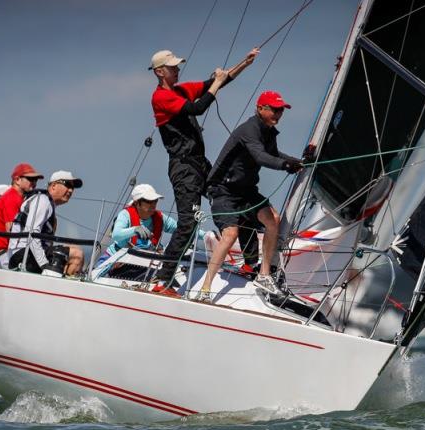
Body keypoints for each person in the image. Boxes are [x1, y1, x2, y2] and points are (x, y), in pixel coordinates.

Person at [149, 46, 260, 295]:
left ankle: (251, 262)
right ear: (159, 72)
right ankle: (161, 281)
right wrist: (216, 83)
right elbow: (197, 108)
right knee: (188, 225)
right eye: (173, 67)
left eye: (177, 66)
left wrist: (244, 63)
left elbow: (217, 82)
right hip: (183, 168)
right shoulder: (161, 97)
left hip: (200, 164)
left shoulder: (180, 89)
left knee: (232, 196)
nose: (178, 70)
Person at [199, 91, 303, 302]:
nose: (278, 113)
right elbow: (260, 156)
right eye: (274, 109)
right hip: (223, 189)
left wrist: (298, 161)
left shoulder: (268, 131)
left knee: (272, 219)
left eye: (281, 110)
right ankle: (205, 288)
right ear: (260, 109)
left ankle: (264, 276)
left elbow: (274, 154)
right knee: (230, 234)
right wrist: (285, 165)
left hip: (245, 190)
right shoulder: (249, 130)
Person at [95, 184, 206, 278]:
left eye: (155, 201)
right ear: (137, 203)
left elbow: (184, 230)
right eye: (149, 201)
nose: (153, 205)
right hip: (116, 258)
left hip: (141, 262)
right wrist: (135, 230)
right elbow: (116, 235)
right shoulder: (125, 215)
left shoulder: (160, 218)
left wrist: (206, 235)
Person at [8, 170, 85, 276]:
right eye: (67, 185)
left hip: (28, 255)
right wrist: (44, 265)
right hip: (23, 256)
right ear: (53, 186)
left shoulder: (49, 206)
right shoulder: (43, 201)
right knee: (77, 255)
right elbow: (32, 234)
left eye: (73, 187)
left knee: (67, 255)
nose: (71, 190)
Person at [0, 162, 43, 267]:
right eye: (30, 179)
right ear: (17, 180)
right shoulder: (13, 198)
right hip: (3, 255)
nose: (34, 183)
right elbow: (11, 230)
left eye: (36, 180)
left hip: (1, 252)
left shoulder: (16, 197)